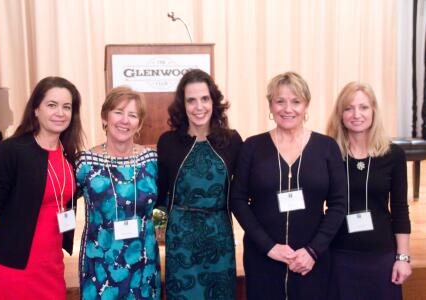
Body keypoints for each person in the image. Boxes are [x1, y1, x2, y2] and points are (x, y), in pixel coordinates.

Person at [230, 71, 347, 300]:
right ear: (271, 106)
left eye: (296, 101)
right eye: (280, 101)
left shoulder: (327, 147)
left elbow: (339, 203)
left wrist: (313, 251)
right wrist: (269, 247)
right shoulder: (252, 147)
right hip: (263, 257)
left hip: (311, 261)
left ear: (306, 106)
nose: (287, 109)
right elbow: (238, 199)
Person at [0, 76, 84, 300]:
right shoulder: (12, 151)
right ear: (36, 109)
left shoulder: (70, 156)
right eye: (51, 105)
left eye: (67, 107)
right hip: (13, 270)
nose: (60, 113)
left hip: (53, 269)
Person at [157, 69, 242, 299]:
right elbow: (160, 193)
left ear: (213, 101)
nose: (199, 106)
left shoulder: (232, 140)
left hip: (220, 238)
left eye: (205, 99)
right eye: (191, 100)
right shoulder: (168, 142)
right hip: (181, 241)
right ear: (182, 105)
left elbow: (241, 192)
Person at [326, 82, 411, 299]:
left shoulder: (394, 155)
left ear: (374, 111)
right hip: (339, 254)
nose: (357, 114)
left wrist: (402, 257)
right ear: (340, 114)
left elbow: (400, 209)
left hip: (381, 255)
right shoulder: (328, 153)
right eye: (349, 108)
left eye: (363, 107)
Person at [76, 86, 161, 299]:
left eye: (132, 115)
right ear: (105, 118)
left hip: (144, 263)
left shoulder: (152, 160)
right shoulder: (85, 163)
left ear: (139, 124)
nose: (125, 120)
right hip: (100, 265)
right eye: (118, 112)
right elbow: (58, 203)